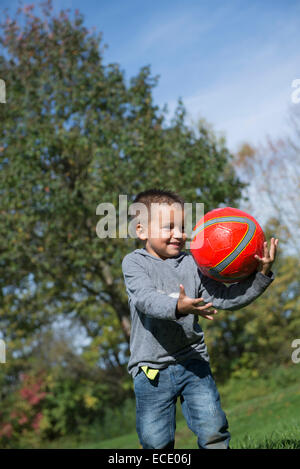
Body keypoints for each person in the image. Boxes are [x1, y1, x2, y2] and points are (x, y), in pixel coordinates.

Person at [121, 189, 278, 449]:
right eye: (169, 227)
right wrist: (178, 306)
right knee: (155, 441)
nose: (179, 234)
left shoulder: (193, 264)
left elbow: (225, 298)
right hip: (151, 370)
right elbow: (145, 300)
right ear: (141, 230)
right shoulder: (135, 264)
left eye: (182, 227)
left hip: (193, 361)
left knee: (213, 427)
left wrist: (261, 274)